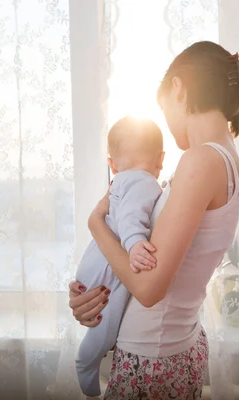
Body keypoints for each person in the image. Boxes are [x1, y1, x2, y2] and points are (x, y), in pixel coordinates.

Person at [69, 41, 239, 399]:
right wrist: (96, 288)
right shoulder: (225, 159)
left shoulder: (201, 161)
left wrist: (94, 223)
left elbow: (150, 289)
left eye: (164, 107)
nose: (167, 123)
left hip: (152, 358)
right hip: (172, 346)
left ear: (178, 88)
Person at [75, 116, 165, 398]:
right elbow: (130, 218)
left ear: (112, 163)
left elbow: (117, 215)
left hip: (97, 257)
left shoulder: (118, 183)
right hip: (110, 262)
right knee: (105, 330)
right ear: (160, 159)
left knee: (104, 325)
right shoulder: (146, 182)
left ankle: (89, 362)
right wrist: (136, 243)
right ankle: (85, 363)